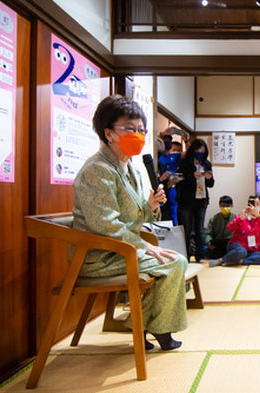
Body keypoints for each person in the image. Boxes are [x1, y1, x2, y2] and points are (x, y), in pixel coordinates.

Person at [73, 95, 187, 351]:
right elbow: (105, 225)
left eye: (141, 130)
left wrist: (151, 207)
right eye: (130, 129)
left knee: (172, 260)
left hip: (122, 249)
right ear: (109, 133)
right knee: (174, 262)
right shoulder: (97, 169)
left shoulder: (130, 168)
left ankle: (146, 324)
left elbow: (134, 217)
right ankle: (153, 327)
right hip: (101, 255)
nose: (138, 135)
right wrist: (145, 247)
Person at [176, 138, 214, 261]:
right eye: (198, 151)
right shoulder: (185, 163)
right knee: (186, 229)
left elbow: (211, 184)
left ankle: (200, 256)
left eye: (202, 151)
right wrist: (192, 176)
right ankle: (185, 256)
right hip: (186, 200)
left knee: (200, 229)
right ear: (193, 151)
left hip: (201, 200)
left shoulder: (207, 164)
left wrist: (208, 177)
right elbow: (179, 182)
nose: (200, 154)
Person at [209, 195, 260, 267]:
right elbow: (229, 228)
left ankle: (240, 261)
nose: (254, 207)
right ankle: (221, 260)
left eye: (257, 204)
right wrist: (240, 219)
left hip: (251, 250)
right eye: (252, 204)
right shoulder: (241, 216)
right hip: (237, 246)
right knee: (242, 251)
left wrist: (258, 216)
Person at [158, 136, 182, 225]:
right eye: (175, 150)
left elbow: (184, 176)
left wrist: (174, 178)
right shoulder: (161, 159)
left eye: (179, 150)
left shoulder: (180, 161)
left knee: (174, 213)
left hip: (176, 190)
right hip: (165, 189)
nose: (177, 152)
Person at [205, 195, 235, 259]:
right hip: (217, 246)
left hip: (230, 245)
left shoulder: (236, 218)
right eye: (223, 206)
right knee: (207, 252)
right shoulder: (213, 219)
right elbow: (208, 233)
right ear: (220, 205)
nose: (225, 208)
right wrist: (209, 242)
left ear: (231, 206)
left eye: (227, 206)